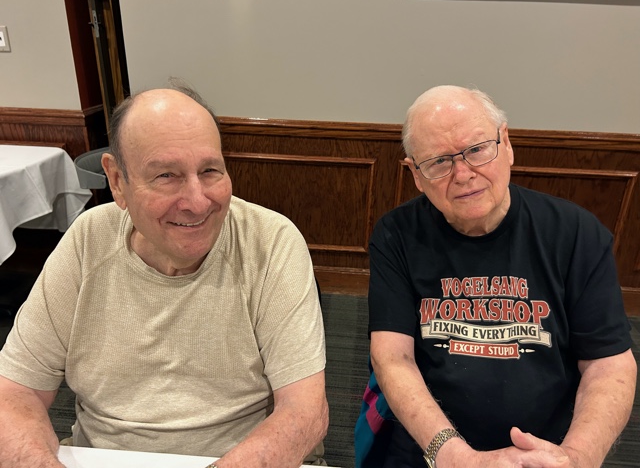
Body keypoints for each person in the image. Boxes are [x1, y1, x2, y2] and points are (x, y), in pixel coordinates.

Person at [0, 82, 328, 468]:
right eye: (166, 176)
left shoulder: (270, 242)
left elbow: (305, 411)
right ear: (117, 182)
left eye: (210, 170)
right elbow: (14, 393)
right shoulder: (88, 240)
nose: (197, 202)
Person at [355, 85, 637, 468]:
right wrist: (454, 456)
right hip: (430, 448)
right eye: (438, 162)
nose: (462, 174)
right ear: (416, 175)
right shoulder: (396, 235)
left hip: (545, 449)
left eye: (476, 150)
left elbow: (609, 364)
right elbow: (393, 358)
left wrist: (577, 457)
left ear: (506, 143)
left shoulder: (576, 233)